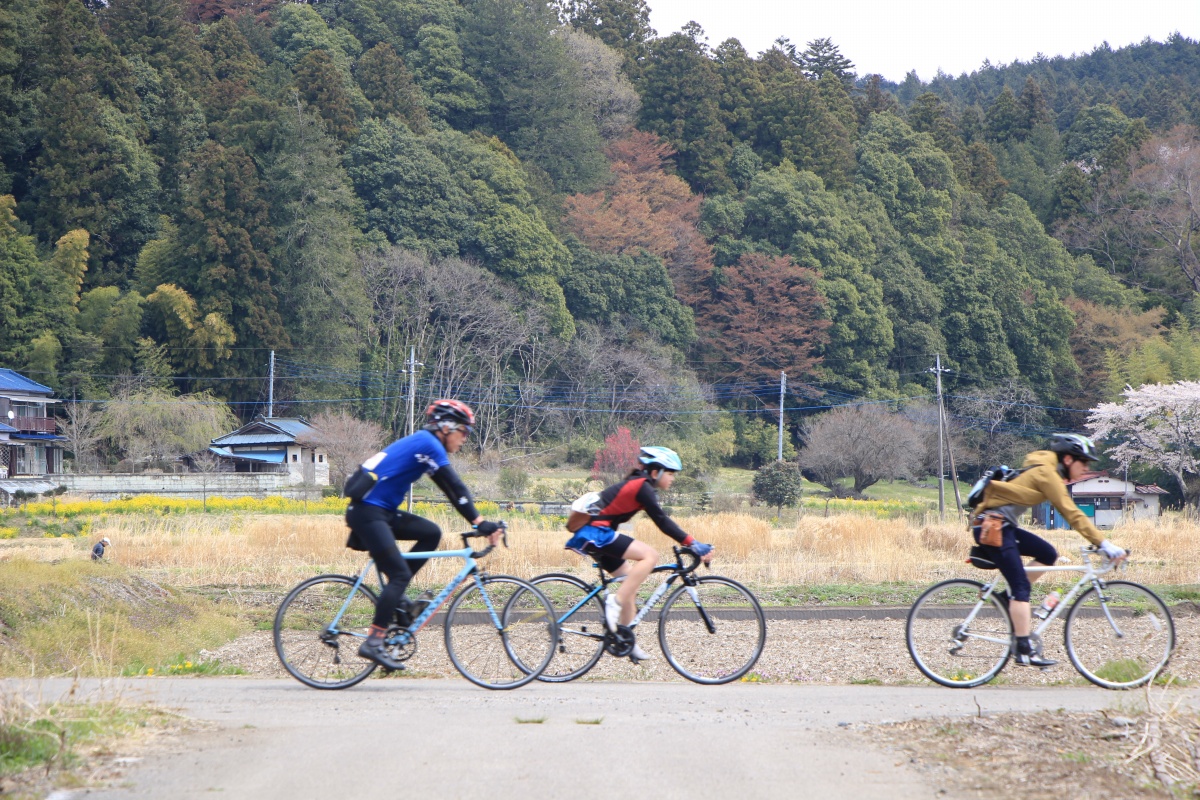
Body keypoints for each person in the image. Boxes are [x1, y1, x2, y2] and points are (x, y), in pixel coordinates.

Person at [345, 399, 504, 670]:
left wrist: (478, 522)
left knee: (431, 532)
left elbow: (449, 488)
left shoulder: (425, 445)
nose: (465, 439)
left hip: (379, 512)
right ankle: (373, 642)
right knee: (399, 575)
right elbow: (454, 486)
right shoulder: (428, 444)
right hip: (368, 513)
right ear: (446, 427)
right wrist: (480, 522)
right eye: (464, 432)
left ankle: (399, 602)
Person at [973, 433, 1127, 667]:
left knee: (1047, 554)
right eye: (1083, 462)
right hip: (992, 527)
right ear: (1067, 460)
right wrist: (1104, 543)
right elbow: (1071, 512)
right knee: (1021, 587)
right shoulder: (1047, 474)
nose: (1085, 469)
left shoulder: (1045, 468)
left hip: (1003, 526)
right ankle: (1024, 650)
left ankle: (1007, 599)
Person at [564, 446, 714, 663]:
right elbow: (662, 521)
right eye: (670, 473)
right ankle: (614, 603)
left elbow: (662, 521)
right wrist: (693, 543)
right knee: (650, 556)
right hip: (597, 533)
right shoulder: (642, 486)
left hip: (597, 534)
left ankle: (625, 641)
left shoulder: (640, 485)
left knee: (629, 584)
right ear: (656, 472)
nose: (672, 479)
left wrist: (691, 543)